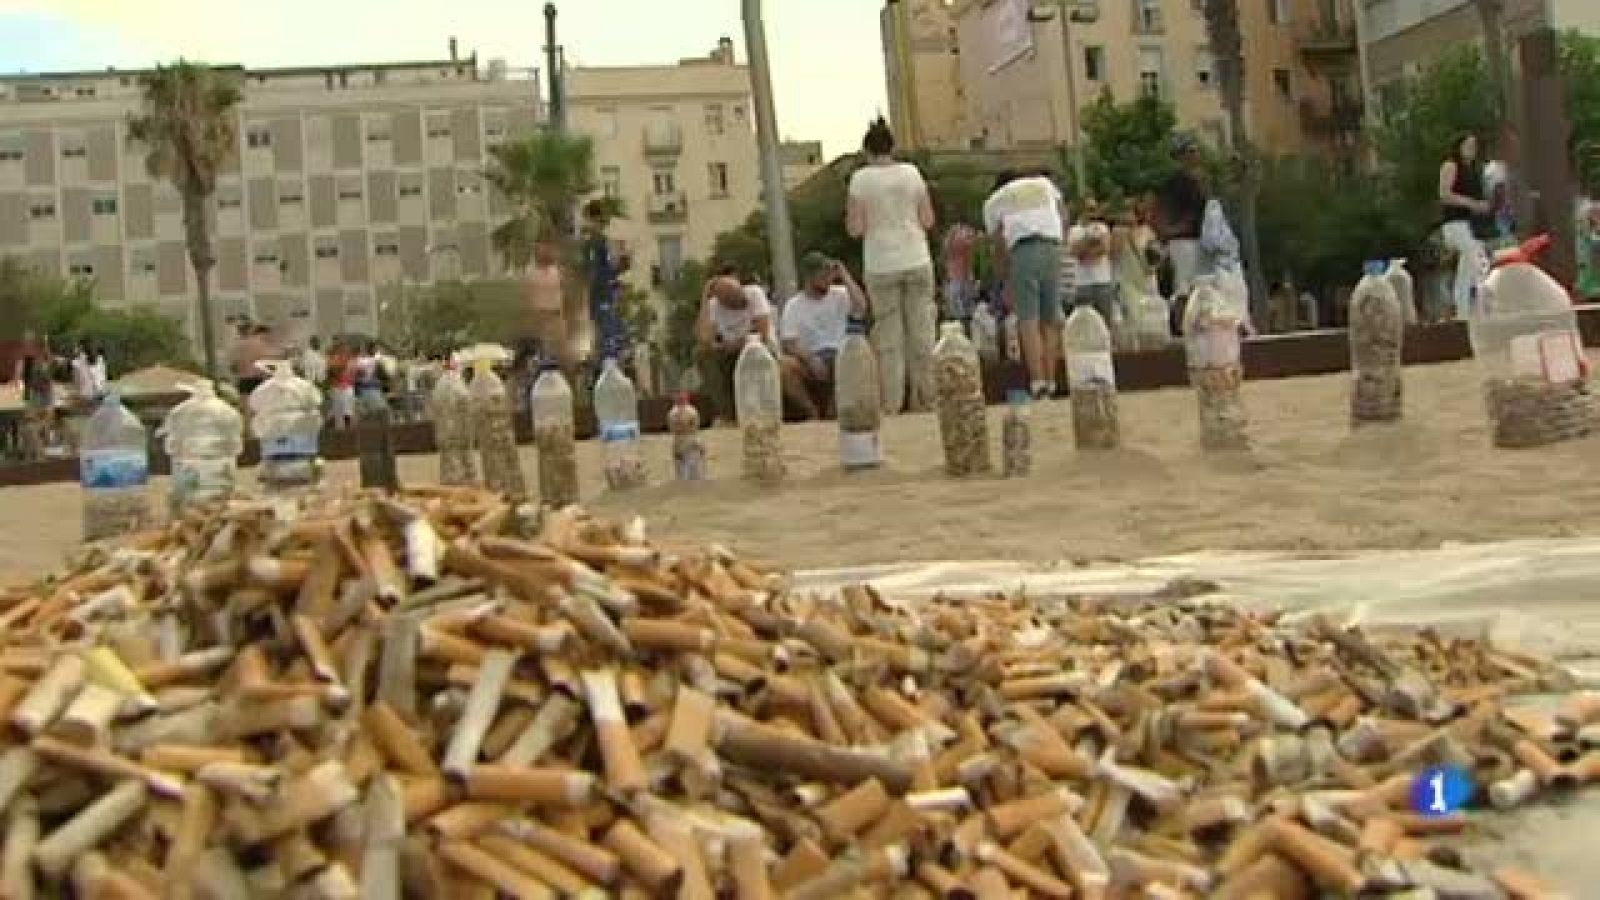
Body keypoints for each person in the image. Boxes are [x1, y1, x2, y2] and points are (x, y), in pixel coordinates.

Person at [846, 117, 936, 415]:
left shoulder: (860, 180)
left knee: (889, 338)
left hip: (881, 262)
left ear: (867, 151)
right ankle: (926, 399)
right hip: (916, 256)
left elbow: (855, 228)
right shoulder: (912, 174)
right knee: (922, 332)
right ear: (892, 147)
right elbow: (928, 220)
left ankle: (893, 404)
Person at [982, 169, 1067, 399]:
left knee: (1029, 320)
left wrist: (1003, 276)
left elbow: (998, 242)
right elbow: (1062, 214)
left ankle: (1038, 382)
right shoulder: (1044, 184)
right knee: (1050, 320)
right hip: (1052, 247)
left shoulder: (995, 201)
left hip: (1023, 250)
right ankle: (1051, 380)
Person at [779, 253, 868, 421]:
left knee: (858, 359)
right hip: (811, 356)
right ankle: (810, 411)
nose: (828, 279)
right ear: (809, 277)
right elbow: (789, 342)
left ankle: (835, 412)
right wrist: (810, 358)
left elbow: (861, 308)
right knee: (784, 366)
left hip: (841, 352)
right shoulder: (794, 305)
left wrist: (845, 276)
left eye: (829, 274)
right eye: (822, 275)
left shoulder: (841, 294)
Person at [697, 270, 775, 425]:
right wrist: (705, 299)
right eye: (730, 300)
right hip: (731, 353)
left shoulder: (754, 293)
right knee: (703, 356)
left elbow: (763, 333)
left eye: (737, 295)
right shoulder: (714, 306)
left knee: (754, 351)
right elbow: (705, 341)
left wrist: (736, 344)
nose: (738, 302)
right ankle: (727, 414)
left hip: (760, 349)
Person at [1153, 134, 1209, 324]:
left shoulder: (1197, 180)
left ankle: (1193, 322)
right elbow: (1165, 208)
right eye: (1191, 152)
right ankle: (1182, 324)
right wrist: (1171, 230)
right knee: (1184, 287)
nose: (1196, 155)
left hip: (1197, 239)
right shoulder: (1178, 181)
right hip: (1183, 240)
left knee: (1197, 285)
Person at [1438, 133, 1492, 321]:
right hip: (1455, 224)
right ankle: (1485, 309)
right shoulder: (1451, 165)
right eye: (1468, 145)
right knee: (1479, 260)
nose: (1472, 149)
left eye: (1474, 145)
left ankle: (1463, 314)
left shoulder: (1474, 170)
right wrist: (1472, 204)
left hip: (1471, 224)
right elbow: (1444, 194)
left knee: (1467, 270)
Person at [582, 199, 630, 369]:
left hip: (602, 297)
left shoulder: (599, 243)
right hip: (598, 298)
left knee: (607, 336)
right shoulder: (591, 244)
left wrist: (620, 265)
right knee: (602, 336)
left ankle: (609, 363)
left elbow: (606, 269)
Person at [1068, 199, 1118, 329]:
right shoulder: (1074, 231)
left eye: (1094, 209)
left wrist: (1087, 248)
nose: (1092, 213)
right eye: (1089, 209)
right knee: (1084, 324)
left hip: (1103, 282)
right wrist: (1090, 240)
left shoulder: (1103, 228)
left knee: (1106, 322)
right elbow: (1076, 252)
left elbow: (1104, 249)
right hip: (1082, 284)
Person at [521, 238, 569, 371]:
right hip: (539, 317)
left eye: (548, 249)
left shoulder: (557, 271)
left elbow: (563, 292)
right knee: (541, 351)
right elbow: (527, 296)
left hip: (556, 317)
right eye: (541, 250)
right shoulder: (530, 272)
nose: (546, 252)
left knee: (560, 353)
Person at [941, 221, 979, 329]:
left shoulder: (951, 245)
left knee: (962, 314)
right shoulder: (960, 243)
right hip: (959, 282)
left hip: (958, 281)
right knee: (963, 315)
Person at [233, 324, 275, 396]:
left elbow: (234, 365)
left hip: (243, 381)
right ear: (264, 334)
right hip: (258, 381)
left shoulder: (241, 345)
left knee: (245, 406)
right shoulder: (262, 344)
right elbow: (268, 364)